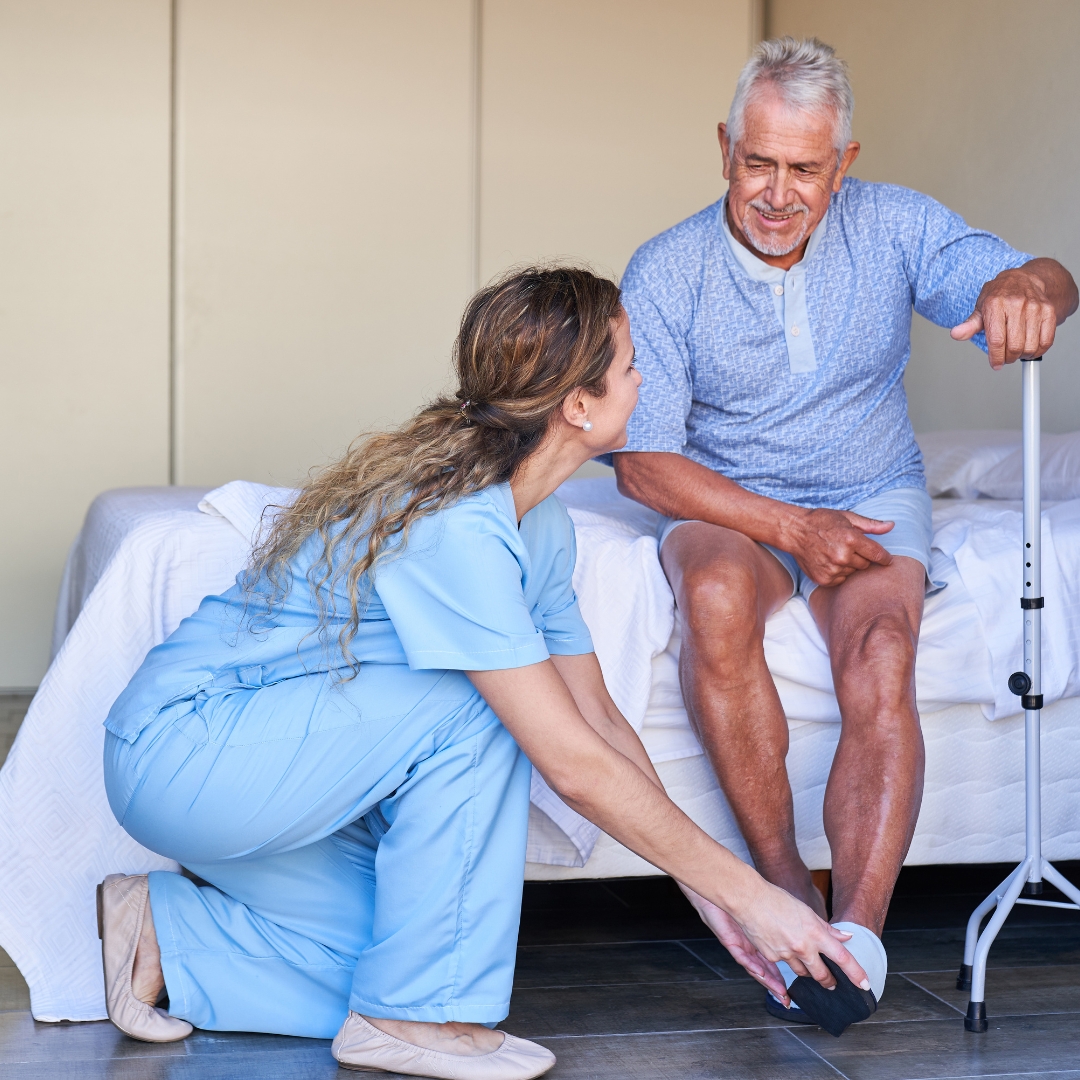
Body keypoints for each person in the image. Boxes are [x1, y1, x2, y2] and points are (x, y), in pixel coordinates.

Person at [98, 267, 869, 1079]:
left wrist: (720, 902)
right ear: (578, 405)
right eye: (633, 361)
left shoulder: (540, 528)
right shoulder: (456, 526)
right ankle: (413, 1022)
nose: (646, 377)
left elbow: (602, 723)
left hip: (277, 782)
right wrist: (759, 897)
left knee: (406, 949)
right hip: (186, 757)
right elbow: (569, 760)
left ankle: (164, 933)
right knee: (492, 710)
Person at [612, 37, 1079, 1027]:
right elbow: (648, 465)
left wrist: (1037, 285)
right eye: (757, 162)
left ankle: (856, 946)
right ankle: (788, 903)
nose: (777, 194)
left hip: (870, 487)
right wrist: (791, 525)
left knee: (883, 645)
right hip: (728, 499)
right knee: (713, 595)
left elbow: (1036, 277)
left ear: (846, 165)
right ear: (725, 148)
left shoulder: (898, 225)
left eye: (806, 169)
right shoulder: (664, 269)